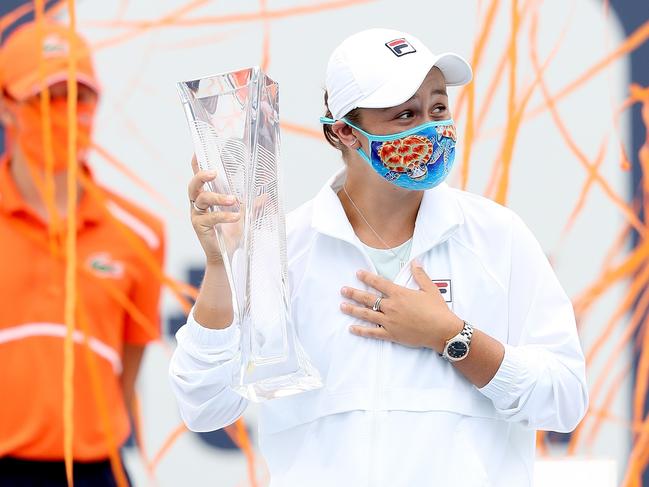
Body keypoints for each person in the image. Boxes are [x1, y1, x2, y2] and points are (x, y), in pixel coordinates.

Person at [169, 28, 587, 486]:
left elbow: (565, 399)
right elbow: (204, 405)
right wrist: (222, 265)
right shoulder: (285, 247)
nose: (431, 129)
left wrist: (453, 337)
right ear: (345, 132)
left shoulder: (498, 237)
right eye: (405, 114)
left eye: (438, 108)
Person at [0, 20, 164, 486]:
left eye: (79, 96)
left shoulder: (140, 233)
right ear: (6, 107)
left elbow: (125, 372)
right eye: (45, 96)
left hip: (97, 470)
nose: (64, 112)